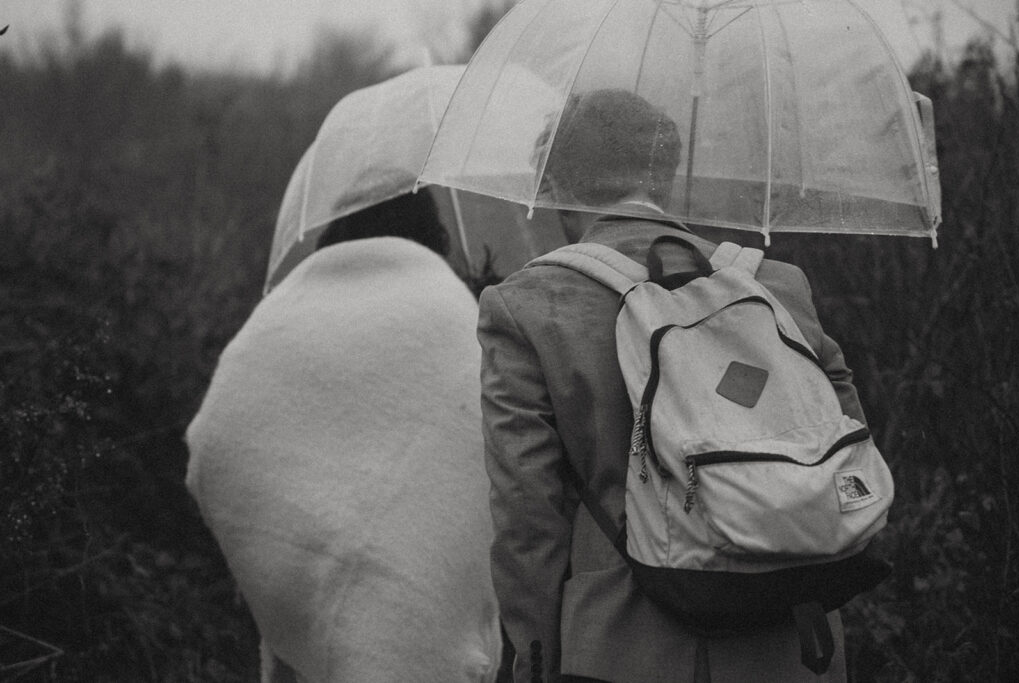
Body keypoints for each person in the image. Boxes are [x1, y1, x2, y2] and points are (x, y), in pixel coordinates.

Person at [477, 88, 868, 682]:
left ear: (555, 189)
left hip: (622, 653)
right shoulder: (778, 287)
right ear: (665, 174)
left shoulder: (526, 307)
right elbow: (849, 463)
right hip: (794, 646)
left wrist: (532, 662)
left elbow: (527, 522)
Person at [186, 191, 501, 683]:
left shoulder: (285, 310)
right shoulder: (454, 317)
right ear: (431, 233)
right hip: (417, 624)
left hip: (296, 600)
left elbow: (212, 438)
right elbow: (492, 464)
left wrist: (274, 557)